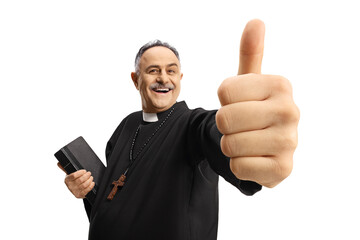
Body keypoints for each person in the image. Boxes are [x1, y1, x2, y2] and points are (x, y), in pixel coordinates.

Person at [58, 19, 300, 239]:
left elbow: (218, 134)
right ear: (135, 79)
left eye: (171, 71)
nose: (164, 78)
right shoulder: (125, 126)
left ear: (180, 77)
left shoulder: (193, 125)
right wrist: (86, 190)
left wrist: (252, 140)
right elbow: (113, 198)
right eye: (153, 71)